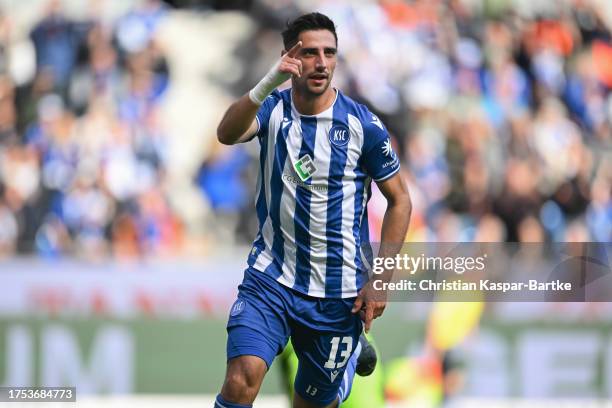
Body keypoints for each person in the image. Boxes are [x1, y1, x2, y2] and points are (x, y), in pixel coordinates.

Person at [215, 12, 411, 408]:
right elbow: (226, 133)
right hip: (271, 278)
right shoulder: (273, 111)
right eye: (310, 53)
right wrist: (268, 81)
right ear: (290, 57)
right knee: (241, 379)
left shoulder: (362, 127)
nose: (321, 62)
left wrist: (382, 278)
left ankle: (350, 352)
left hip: (337, 292)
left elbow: (400, 200)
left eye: (329, 53)